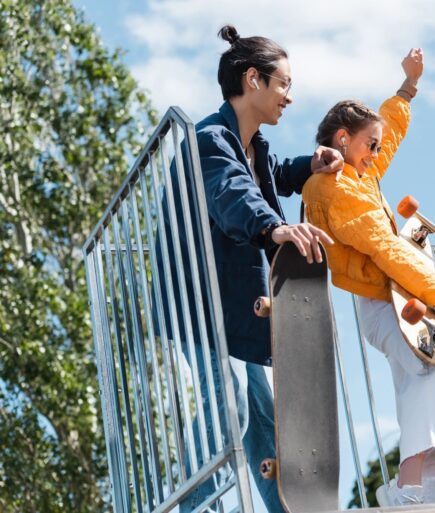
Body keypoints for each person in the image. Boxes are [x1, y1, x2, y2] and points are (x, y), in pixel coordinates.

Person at [158, 25, 343, 513]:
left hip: (234, 308)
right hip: (199, 306)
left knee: (263, 416)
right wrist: (273, 228)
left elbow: (269, 174)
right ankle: (195, 507)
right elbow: (230, 192)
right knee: (230, 408)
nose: (290, 96)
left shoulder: (252, 145)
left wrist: (309, 165)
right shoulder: (208, 140)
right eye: (284, 83)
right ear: (254, 80)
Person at [301, 48, 435, 507]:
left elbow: (388, 134)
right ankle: (407, 489)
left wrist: (408, 86)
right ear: (342, 139)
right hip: (385, 301)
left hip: (395, 296)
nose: (377, 154)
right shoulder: (334, 187)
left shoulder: (358, 174)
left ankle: (426, 495)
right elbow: (383, 245)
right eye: (368, 146)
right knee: (427, 368)